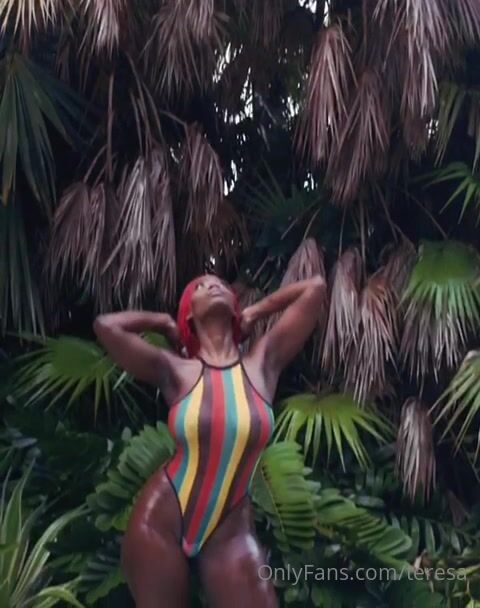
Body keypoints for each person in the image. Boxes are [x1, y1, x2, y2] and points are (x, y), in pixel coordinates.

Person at [93, 273, 326, 608]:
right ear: (189, 314)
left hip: (229, 535)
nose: (212, 286)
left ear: (234, 306)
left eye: (220, 284)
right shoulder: (174, 370)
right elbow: (106, 326)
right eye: (200, 287)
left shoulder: (264, 363)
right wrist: (162, 323)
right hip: (160, 522)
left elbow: (315, 287)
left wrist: (256, 311)